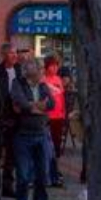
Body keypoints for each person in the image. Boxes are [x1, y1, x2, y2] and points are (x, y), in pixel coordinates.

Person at [10, 59, 60, 200]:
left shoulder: (43, 86)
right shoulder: (18, 83)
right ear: (29, 71)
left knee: (43, 173)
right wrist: (37, 107)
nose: (42, 72)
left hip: (41, 134)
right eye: (39, 69)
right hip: (23, 136)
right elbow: (20, 103)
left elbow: (51, 104)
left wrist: (32, 107)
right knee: (23, 176)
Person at [0, 43, 19, 200]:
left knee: (12, 155)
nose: (15, 56)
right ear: (4, 54)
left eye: (15, 53)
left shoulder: (20, 71)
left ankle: (8, 187)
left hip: (16, 120)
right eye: (12, 53)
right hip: (0, 119)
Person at [41, 56, 67, 187]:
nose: (55, 68)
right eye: (52, 65)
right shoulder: (42, 80)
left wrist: (63, 113)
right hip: (47, 118)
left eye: (56, 65)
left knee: (56, 146)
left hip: (58, 117)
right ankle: (45, 172)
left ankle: (55, 171)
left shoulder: (58, 79)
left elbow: (61, 97)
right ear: (46, 66)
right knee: (46, 146)